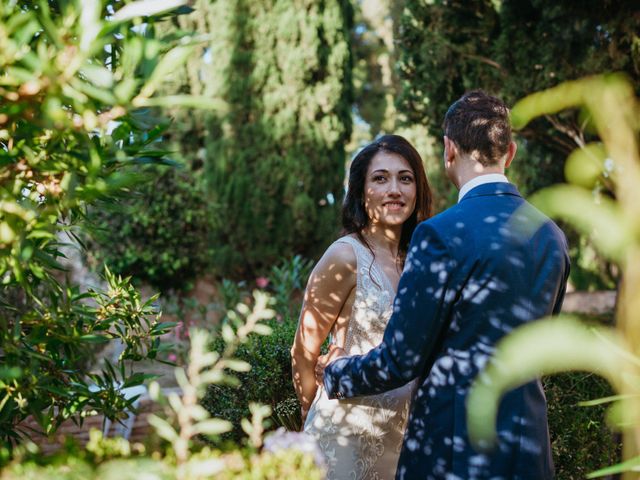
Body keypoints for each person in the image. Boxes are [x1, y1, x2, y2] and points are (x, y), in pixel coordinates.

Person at [317, 91, 570, 479]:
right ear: (511, 153)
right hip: (529, 450)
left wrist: (336, 372)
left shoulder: (439, 234)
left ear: (449, 149)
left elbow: (400, 359)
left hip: (452, 454)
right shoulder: (551, 236)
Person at [290, 134, 432, 480]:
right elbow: (303, 354)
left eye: (406, 178)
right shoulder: (344, 255)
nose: (394, 189)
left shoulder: (421, 260)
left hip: (404, 442)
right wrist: (315, 418)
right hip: (344, 437)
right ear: (361, 191)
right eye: (380, 178)